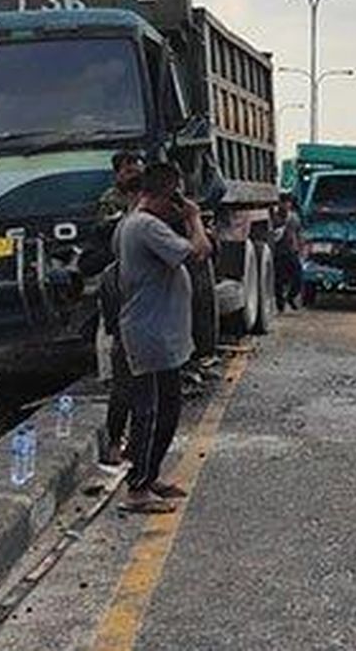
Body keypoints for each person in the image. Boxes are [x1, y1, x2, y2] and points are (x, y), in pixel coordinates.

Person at [115, 162, 213, 513]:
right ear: (165, 194)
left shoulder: (141, 223)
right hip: (150, 334)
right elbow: (200, 251)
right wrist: (192, 217)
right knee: (151, 414)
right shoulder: (145, 226)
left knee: (167, 411)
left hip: (160, 335)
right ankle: (137, 489)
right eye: (176, 195)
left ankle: (150, 474)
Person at [96, 151, 143, 466]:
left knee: (143, 387)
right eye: (128, 169)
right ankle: (116, 443)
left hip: (144, 307)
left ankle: (133, 448)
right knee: (125, 384)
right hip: (125, 303)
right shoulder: (113, 206)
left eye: (137, 167)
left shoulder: (147, 210)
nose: (134, 171)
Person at [273, 193, 303, 311]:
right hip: (279, 253)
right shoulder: (275, 218)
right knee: (279, 280)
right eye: (283, 202)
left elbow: (299, 232)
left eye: (288, 202)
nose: (286, 205)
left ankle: (291, 297)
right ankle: (280, 303)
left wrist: (300, 247)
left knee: (298, 277)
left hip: (292, 251)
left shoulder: (294, 217)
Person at [98, 150, 144, 220]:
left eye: (137, 172)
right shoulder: (110, 198)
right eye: (129, 172)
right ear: (118, 175)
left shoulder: (149, 193)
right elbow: (104, 224)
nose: (134, 176)